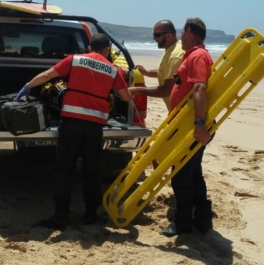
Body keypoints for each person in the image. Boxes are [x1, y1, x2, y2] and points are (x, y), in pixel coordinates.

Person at [14, 33, 131, 230]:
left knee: (64, 170)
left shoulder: (75, 60)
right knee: (91, 171)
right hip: (95, 128)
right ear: (106, 51)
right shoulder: (112, 70)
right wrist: (110, 96)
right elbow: (127, 97)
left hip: (71, 125)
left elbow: (47, 76)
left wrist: (27, 86)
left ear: (88, 48)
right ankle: (91, 215)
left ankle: (61, 216)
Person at [129, 17, 214, 236]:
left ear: (188, 32)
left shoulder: (197, 56)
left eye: (182, 32)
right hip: (186, 123)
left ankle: (182, 224)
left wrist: (199, 124)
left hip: (190, 126)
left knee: (181, 175)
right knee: (193, 173)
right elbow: (178, 83)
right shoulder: (191, 55)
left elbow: (200, 88)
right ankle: (202, 221)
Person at [134, 20, 184, 112]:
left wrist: (138, 90)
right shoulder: (172, 49)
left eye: (157, 35)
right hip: (176, 111)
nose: (154, 38)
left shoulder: (175, 56)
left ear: (168, 35)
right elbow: (166, 72)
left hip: (182, 114)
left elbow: (167, 90)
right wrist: (147, 72)